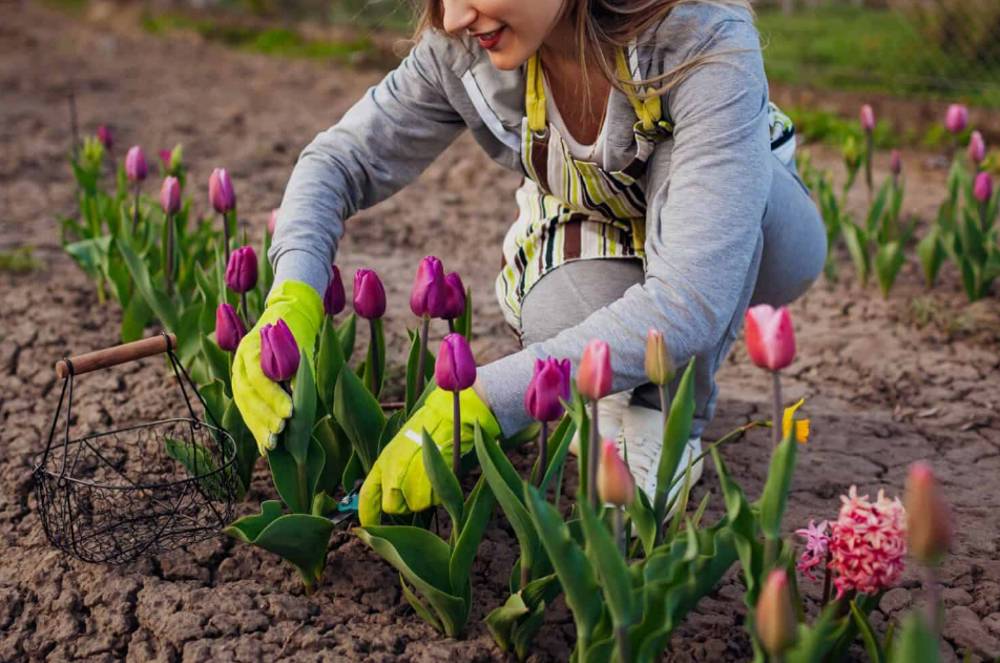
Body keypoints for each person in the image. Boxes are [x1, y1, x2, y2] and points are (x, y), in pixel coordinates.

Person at [231, 0, 827, 525]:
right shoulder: (461, 48)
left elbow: (694, 295)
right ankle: (617, 388)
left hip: (748, 226)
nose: (453, 15)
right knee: (554, 327)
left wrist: (488, 397)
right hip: (595, 219)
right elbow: (337, 161)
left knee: (700, 278)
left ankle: (667, 416)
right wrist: (294, 294)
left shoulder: (700, 37)